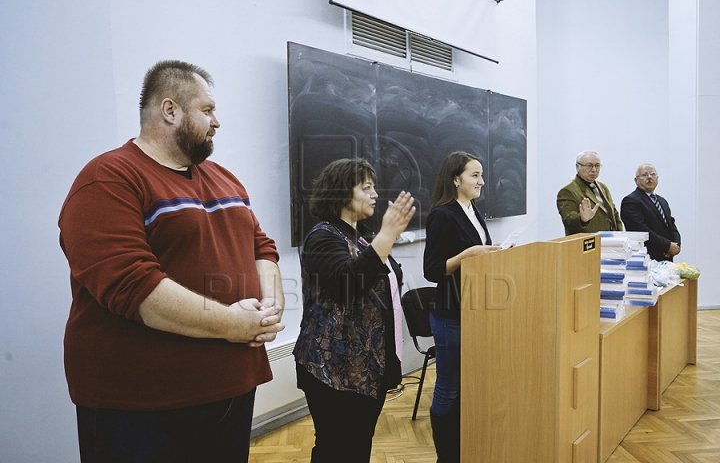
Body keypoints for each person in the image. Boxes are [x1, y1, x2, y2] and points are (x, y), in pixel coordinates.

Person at [58, 60, 285, 462]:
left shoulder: (224, 178)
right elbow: (135, 286)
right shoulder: (109, 178)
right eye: (208, 110)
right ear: (170, 111)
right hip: (142, 407)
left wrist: (268, 307)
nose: (217, 122)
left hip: (231, 390)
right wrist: (233, 324)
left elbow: (262, 249)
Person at [293, 158, 416, 463]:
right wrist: (387, 234)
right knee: (337, 450)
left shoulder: (358, 238)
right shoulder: (322, 236)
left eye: (373, 187)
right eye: (366, 188)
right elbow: (347, 284)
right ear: (341, 194)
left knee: (356, 447)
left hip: (362, 372)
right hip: (333, 373)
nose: (375, 194)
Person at [423, 151, 501, 462]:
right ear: (455, 179)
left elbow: (479, 253)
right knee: (449, 388)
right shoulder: (443, 214)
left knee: (469, 384)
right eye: (474, 175)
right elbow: (432, 270)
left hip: (476, 310)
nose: (482, 181)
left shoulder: (473, 210)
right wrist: (466, 256)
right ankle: (447, 455)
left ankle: (465, 444)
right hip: (451, 313)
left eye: (481, 175)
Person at [621, 164, 681, 261]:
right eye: (644, 175)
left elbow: (671, 225)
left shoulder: (662, 201)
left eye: (652, 174)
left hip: (667, 257)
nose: (649, 177)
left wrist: (676, 245)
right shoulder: (631, 201)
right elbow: (640, 229)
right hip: (647, 258)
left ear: (657, 178)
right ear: (636, 180)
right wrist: (667, 246)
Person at [557, 150, 623, 235]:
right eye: (589, 166)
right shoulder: (568, 191)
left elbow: (614, 214)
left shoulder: (603, 187)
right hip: (587, 244)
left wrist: (620, 237)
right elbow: (568, 220)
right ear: (577, 167)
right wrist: (582, 219)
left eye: (597, 166)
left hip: (611, 242)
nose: (594, 170)